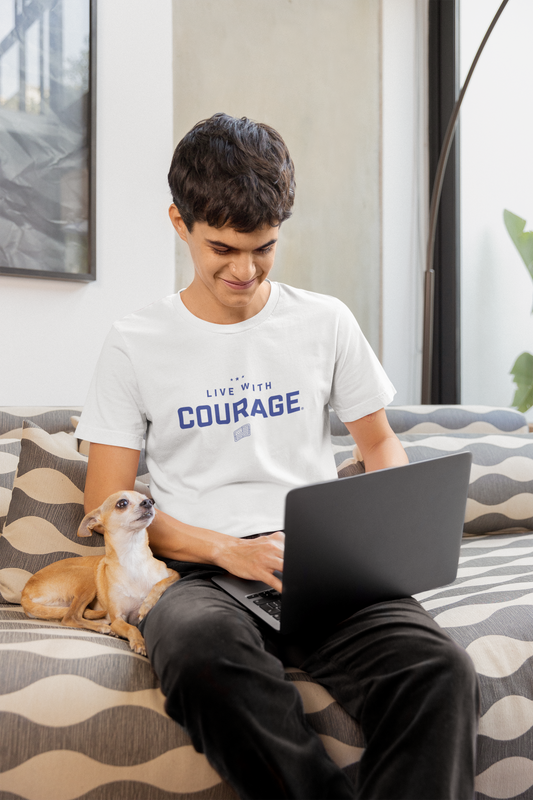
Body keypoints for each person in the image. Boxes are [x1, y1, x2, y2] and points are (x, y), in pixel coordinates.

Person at [76, 113, 479, 800]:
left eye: (263, 247)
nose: (244, 269)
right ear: (180, 223)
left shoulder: (324, 322)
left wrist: (388, 531)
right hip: (196, 579)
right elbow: (103, 505)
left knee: (440, 670)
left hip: (324, 567)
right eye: (222, 248)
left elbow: (378, 442)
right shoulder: (133, 340)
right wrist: (230, 551)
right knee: (200, 656)